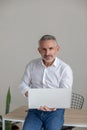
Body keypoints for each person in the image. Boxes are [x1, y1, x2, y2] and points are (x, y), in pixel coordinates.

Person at [19, 35, 73, 130]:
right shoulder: (32, 65)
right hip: (35, 110)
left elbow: (64, 93)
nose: (47, 53)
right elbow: (23, 84)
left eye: (51, 48)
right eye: (44, 49)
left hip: (55, 111)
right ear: (39, 50)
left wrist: (52, 104)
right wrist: (30, 93)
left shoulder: (65, 69)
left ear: (57, 49)